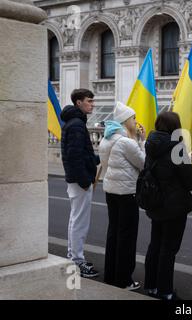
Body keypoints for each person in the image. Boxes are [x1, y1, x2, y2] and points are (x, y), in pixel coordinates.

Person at [144, 111, 192, 300]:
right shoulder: (177, 147)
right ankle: (165, 291)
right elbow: (191, 182)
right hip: (174, 207)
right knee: (168, 250)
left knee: (155, 245)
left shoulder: (150, 144)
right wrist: (190, 164)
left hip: (155, 202)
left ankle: (151, 286)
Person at [98, 101, 146, 291]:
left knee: (114, 233)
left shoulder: (106, 138)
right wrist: (140, 141)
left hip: (111, 191)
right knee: (127, 236)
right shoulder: (125, 141)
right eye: (133, 118)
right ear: (126, 121)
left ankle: (111, 275)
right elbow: (143, 163)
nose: (136, 121)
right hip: (127, 193)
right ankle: (124, 279)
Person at [60, 88, 100, 278]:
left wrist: (94, 159)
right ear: (78, 103)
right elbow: (74, 156)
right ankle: (77, 261)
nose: (92, 104)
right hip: (79, 181)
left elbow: (81, 153)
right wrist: (85, 181)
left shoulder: (74, 122)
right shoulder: (76, 124)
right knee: (79, 223)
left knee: (75, 220)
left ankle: (73, 257)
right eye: (89, 101)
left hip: (77, 179)